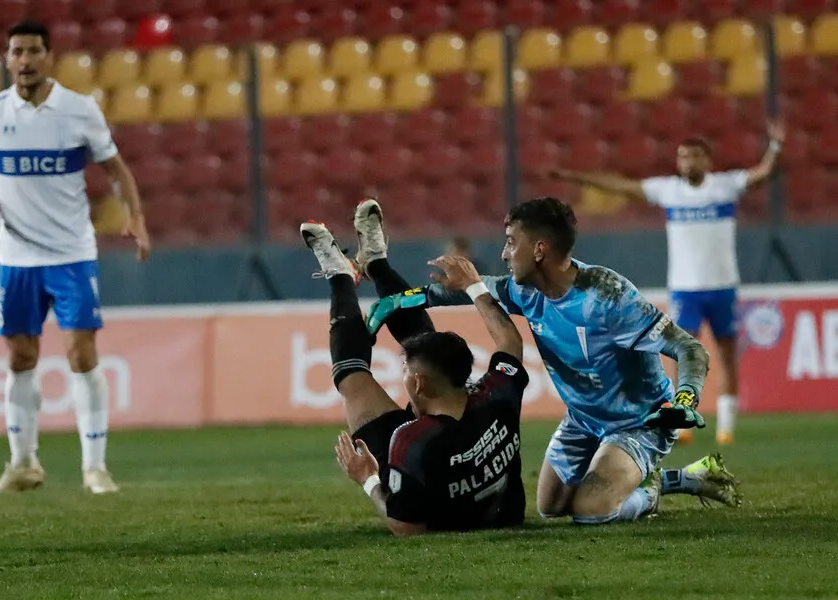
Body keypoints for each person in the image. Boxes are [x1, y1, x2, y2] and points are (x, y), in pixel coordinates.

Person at [363, 197, 741, 525]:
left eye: (511, 243)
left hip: (639, 422)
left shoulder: (607, 297)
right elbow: (463, 291)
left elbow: (691, 348)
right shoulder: (525, 291)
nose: (504, 253)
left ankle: (652, 489)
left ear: (539, 249)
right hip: (583, 418)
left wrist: (686, 399)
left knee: (592, 511)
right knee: (550, 506)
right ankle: (687, 478)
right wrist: (402, 299)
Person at [0, 20, 150, 494]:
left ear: (49, 56)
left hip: (72, 253)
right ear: (7, 59)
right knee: (20, 356)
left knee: (81, 355)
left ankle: (95, 468)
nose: (24, 60)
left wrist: (134, 217)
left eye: (34, 50)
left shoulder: (78, 110)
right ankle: (23, 464)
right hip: (16, 258)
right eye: (16, 51)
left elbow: (115, 168)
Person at [541, 122, 785, 445]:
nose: (688, 162)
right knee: (679, 353)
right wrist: (574, 177)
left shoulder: (724, 187)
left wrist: (775, 147)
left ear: (708, 161)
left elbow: (762, 174)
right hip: (685, 288)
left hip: (723, 285)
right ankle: (683, 424)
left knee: (727, 355)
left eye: (695, 156)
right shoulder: (669, 190)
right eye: (683, 156)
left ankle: (726, 429)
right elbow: (621, 187)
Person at [301, 213, 529, 535]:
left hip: (431, 463)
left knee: (352, 379)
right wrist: (474, 287)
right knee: (424, 348)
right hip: (502, 513)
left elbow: (406, 527)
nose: (404, 376)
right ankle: (375, 263)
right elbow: (510, 340)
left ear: (418, 383)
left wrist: (367, 478)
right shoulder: (498, 395)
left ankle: (340, 277)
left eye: (405, 370)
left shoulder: (410, 442)